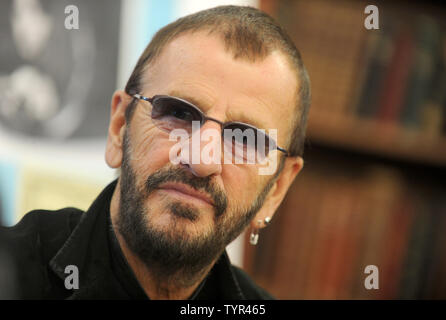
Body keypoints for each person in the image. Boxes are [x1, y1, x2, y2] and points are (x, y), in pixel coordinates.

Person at [0, 5, 310, 300]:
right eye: (177, 112)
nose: (202, 160)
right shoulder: (11, 275)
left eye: (245, 139)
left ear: (277, 188)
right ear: (120, 128)